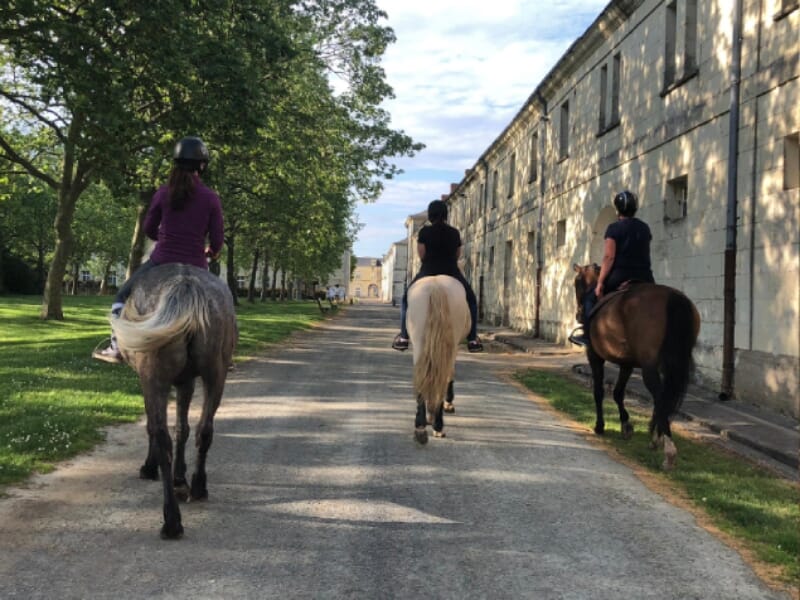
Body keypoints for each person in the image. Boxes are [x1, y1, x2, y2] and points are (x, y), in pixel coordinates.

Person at [92, 136, 224, 363]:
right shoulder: (211, 198)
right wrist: (210, 252)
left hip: (162, 260)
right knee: (221, 303)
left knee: (122, 295)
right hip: (196, 263)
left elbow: (149, 228)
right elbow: (218, 239)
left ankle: (116, 347)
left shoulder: (163, 193)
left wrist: (163, 239)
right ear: (202, 165)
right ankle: (222, 353)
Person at [392, 200, 483, 353]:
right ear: (446, 214)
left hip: (428, 270)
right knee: (472, 301)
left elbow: (422, 254)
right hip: (451, 271)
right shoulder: (454, 232)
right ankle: (473, 338)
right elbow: (457, 254)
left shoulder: (424, 232)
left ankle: (404, 337)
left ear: (430, 215)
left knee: (406, 299)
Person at [569, 190, 654, 346]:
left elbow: (609, 257)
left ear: (618, 209)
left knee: (589, 298)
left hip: (620, 276)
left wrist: (600, 282)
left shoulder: (614, 229)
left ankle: (587, 334)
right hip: (646, 277)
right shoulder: (645, 228)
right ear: (634, 209)